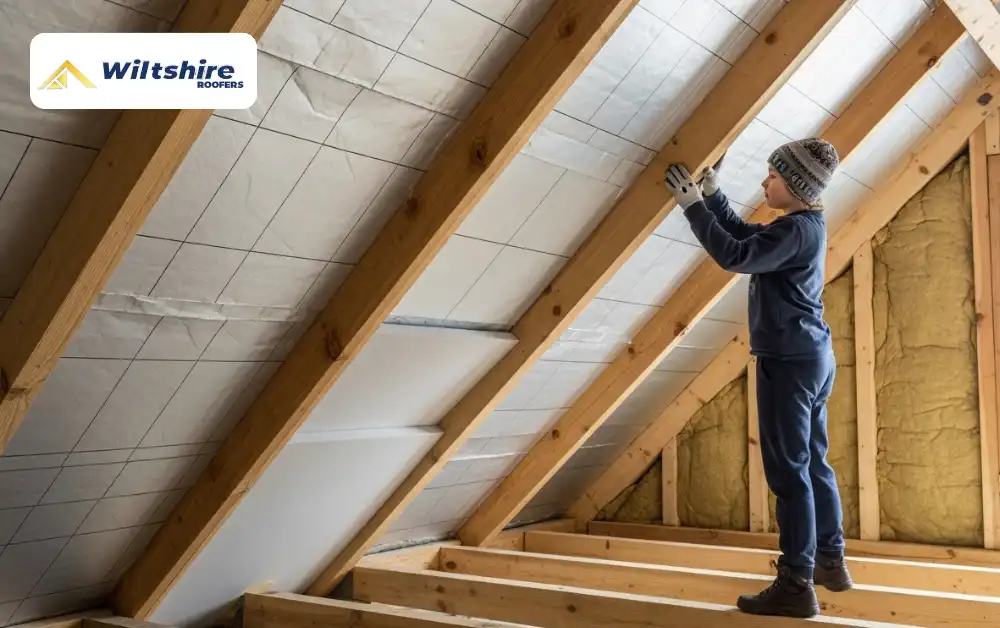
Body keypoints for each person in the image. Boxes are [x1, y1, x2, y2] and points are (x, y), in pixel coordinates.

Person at [662, 138, 852, 619]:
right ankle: (830, 561)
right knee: (813, 464)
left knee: (790, 473)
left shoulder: (796, 231)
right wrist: (712, 197)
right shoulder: (803, 226)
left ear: (794, 184)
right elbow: (749, 239)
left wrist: (692, 208)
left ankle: (796, 583)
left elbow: (735, 255)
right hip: (809, 356)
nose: (765, 181)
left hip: (788, 362)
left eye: (771, 175)